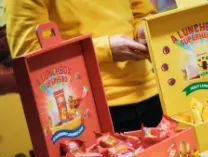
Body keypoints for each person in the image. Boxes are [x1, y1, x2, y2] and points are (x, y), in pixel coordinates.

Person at [5, 0, 163, 132]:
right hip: (88, 110)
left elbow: (141, 11)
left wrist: (143, 29)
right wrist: (104, 50)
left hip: (151, 92)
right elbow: (30, 58)